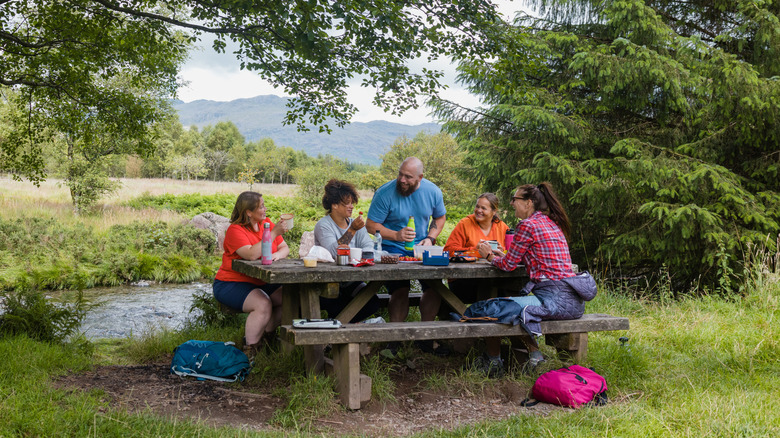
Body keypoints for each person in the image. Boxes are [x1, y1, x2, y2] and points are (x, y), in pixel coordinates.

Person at [475, 182, 582, 377]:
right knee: (512, 305)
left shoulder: (527, 225)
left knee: (489, 308)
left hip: (553, 300)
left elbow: (508, 266)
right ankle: (534, 357)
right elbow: (532, 255)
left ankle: (494, 363)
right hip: (573, 300)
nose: (512, 203)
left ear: (529, 202)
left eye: (515, 199)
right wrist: (503, 255)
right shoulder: (551, 222)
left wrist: (489, 256)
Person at [366, 157, 448, 356]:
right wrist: (395, 235)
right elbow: (370, 225)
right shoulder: (385, 192)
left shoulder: (433, 191)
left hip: (422, 248)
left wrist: (430, 237)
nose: (402, 180)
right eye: (400, 174)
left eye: (408, 177)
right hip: (392, 248)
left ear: (420, 177)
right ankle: (395, 339)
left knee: (435, 287)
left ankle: (425, 337)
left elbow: (440, 217)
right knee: (400, 289)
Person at [213, 191, 290, 357]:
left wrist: (278, 254)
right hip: (231, 283)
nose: (265, 209)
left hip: (261, 281)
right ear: (249, 212)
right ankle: (250, 352)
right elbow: (251, 254)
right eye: (261, 206)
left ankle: (266, 337)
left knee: (290, 297)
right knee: (262, 303)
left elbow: (285, 248)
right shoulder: (235, 230)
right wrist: (274, 232)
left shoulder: (266, 223)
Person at [314, 179, 380, 322]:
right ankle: (335, 332)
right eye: (347, 203)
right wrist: (352, 230)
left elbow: (368, 247)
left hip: (352, 280)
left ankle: (340, 328)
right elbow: (333, 252)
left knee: (372, 301)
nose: (351, 206)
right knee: (335, 303)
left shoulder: (355, 224)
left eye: (352, 202)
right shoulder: (323, 225)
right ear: (335, 205)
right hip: (328, 281)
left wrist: (360, 257)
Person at [444, 193, 509, 304]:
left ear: (494, 211)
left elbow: (510, 252)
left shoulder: (502, 227)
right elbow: (448, 251)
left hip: (495, 278)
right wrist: (474, 250)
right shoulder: (465, 224)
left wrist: (501, 251)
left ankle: (494, 318)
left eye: (483, 208)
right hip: (464, 279)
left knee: (509, 289)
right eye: (477, 206)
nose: (479, 210)